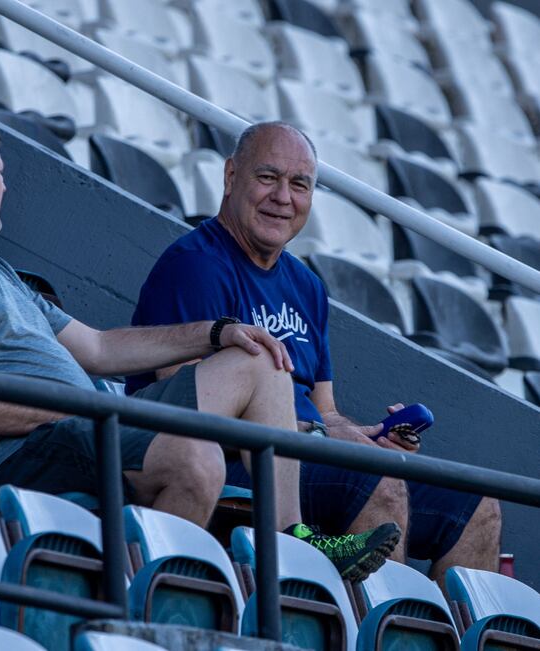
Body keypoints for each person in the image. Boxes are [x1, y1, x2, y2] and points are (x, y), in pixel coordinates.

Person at [0, 106, 399, 581]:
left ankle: (287, 540)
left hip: (85, 427)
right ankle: (132, 607)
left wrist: (217, 332)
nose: (8, 188)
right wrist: (73, 408)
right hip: (35, 447)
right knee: (198, 458)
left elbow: (98, 349)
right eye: (3, 175)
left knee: (250, 371)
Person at [128, 121, 501, 588]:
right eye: (268, 177)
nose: (283, 197)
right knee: (375, 481)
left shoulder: (307, 286)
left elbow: (323, 409)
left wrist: (366, 434)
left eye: (299, 184)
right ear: (229, 177)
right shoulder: (195, 264)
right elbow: (186, 404)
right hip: (241, 461)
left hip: (308, 452)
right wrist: (323, 436)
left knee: (476, 508)